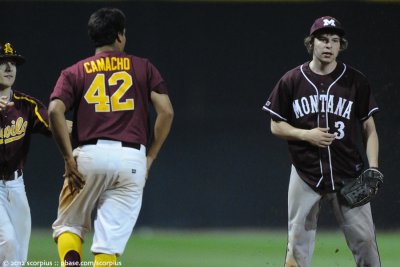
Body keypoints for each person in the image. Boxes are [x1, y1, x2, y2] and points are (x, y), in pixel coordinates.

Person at [48, 7, 174, 267]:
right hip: (132, 159)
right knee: (108, 246)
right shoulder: (143, 67)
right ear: (119, 36)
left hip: (89, 155)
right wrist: (149, 157)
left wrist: (67, 158)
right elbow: (167, 112)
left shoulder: (75, 72)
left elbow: (54, 111)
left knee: (69, 226)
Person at [262, 16, 381, 267]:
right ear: (311, 43)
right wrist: (306, 135)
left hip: (349, 174)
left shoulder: (356, 81)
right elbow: (275, 125)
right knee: (296, 249)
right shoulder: (292, 80)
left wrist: (373, 166)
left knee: (367, 247)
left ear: (341, 46)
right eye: (323, 40)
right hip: (306, 173)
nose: (329, 45)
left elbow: (368, 128)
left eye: (335, 41)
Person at [0, 42, 51, 266]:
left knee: (19, 254)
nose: (9, 68)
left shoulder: (26, 106)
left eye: (13, 63)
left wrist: (93, 127)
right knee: (8, 243)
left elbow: (56, 126)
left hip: (16, 186)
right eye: (2, 63)